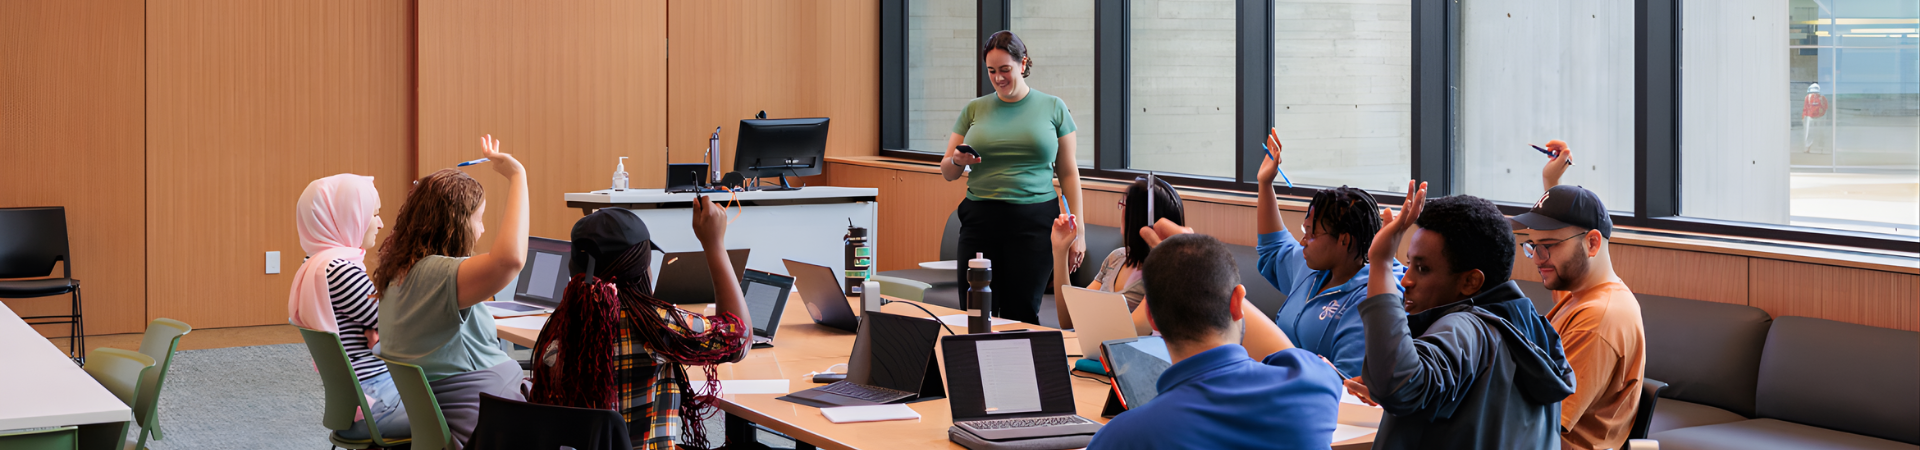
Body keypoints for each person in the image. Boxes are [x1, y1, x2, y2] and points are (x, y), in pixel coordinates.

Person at [1347, 182, 1576, 449]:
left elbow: (1399, 385)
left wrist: (1382, 263)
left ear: (1470, 282)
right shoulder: (1526, 327)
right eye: (1408, 263)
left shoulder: (1465, 327)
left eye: (1422, 268)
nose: (1405, 281)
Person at [526, 202, 751, 450]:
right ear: (639, 268)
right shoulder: (655, 326)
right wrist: (714, 244)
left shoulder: (559, 327)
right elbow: (738, 338)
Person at [1085, 233, 1339, 449]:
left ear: (1151, 317)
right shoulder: (1313, 384)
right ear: (1238, 303)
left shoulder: (1123, 437)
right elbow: (1286, 351)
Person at [372, 135, 529, 450]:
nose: (482, 230)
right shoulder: (435, 274)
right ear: (455, 224)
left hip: (465, 415)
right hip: (486, 425)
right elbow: (510, 260)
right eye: (479, 219)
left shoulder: (400, 274)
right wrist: (517, 176)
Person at [942, 30, 1086, 325]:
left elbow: (1069, 173)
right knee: (974, 313)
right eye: (991, 71)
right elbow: (947, 171)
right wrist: (957, 160)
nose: (998, 78)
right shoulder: (974, 109)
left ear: (1023, 64)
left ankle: (1018, 372)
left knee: (1020, 314)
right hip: (980, 219)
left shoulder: (1053, 107)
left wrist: (1078, 233)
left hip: (1034, 222)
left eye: (1005, 69)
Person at [1523, 142, 1647, 450]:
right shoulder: (1583, 292)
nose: (1537, 258)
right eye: (1533, 245)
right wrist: (1552, 184)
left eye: (1547, 246)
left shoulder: (1599, 318)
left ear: (1592, 244)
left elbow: (1542, 423)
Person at [1253, 129, 1404, 378]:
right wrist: (1265, 184)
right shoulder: (1313, 267)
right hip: (1275, 383)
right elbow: (1274, 248)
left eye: (1312, 233)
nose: (1303, 241)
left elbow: (1348, 381)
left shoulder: (1372, 298)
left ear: (1344, 240)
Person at [286, 173, 409, 440]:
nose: (380, 223)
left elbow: (379, 320)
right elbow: (398, 323)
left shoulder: (315, 264)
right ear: (347, 217)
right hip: (379, 404)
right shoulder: (340, 270)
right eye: (372, 214)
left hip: (359, 404)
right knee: (470, 409)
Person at [1049, 175, 1183, 331]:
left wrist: (1165, 265)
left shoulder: (1164, 275)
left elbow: (1132, 332)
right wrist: (1060, 250)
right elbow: (1069, 319)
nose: (1122, 209)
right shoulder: (1117, 258)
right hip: (1096, 351)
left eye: (1125, 204)